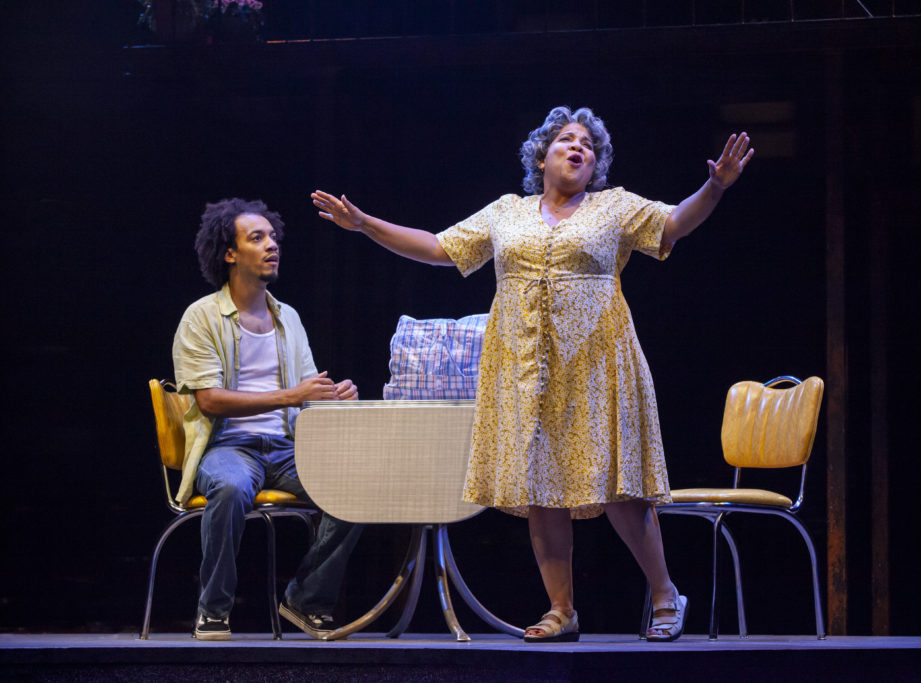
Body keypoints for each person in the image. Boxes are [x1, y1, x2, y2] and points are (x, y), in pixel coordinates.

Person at [311, 107, 753, 642]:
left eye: (589, 145)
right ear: (541, 156)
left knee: (618, 485)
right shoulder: (506, 213)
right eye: (567, 140)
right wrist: (365, 225)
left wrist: (715, 186)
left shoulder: (614, 207)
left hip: (598, 363)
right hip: (525, 369)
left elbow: (675, 223)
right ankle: (562, 608)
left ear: (595, 165)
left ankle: (664, 594)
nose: (579, 148)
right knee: (542, 488)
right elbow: (437, 248)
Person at [172, 198, 363, 640]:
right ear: (229, 253)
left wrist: (332, 397)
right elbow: (210, 400)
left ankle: (305, 598)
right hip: (227, 447)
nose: (271, 245)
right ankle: (214, 608)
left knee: (356, 488)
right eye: (256, 238)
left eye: (272, 237)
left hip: (286, 447)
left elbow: (306, 395)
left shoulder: (288, 318)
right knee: (232, 486)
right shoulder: (202, 317)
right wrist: (292, 395)